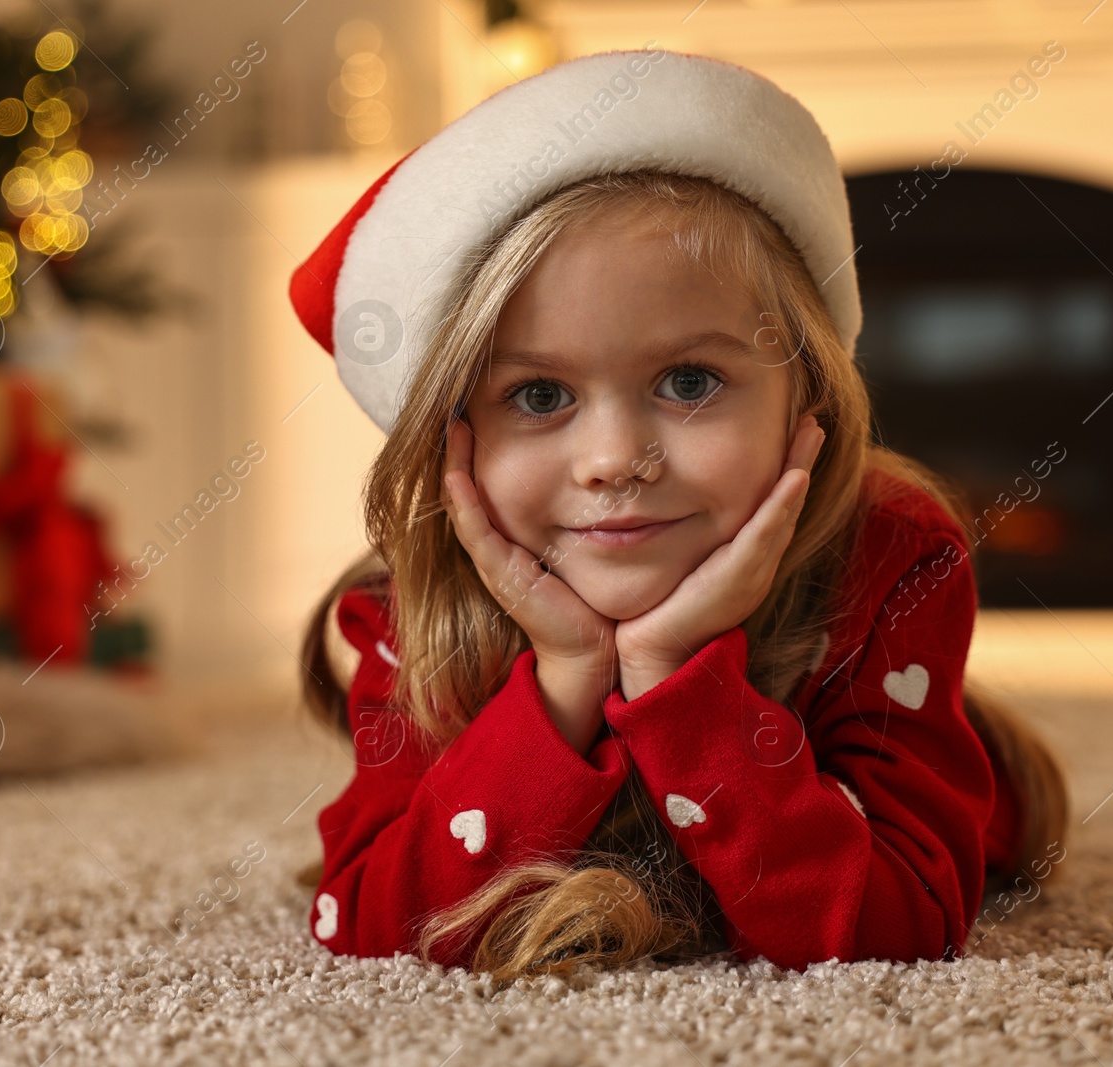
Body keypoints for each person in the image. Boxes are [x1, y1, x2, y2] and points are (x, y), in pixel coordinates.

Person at [289, 48, 1069, 982]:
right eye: (537, 395)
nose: (617, 460)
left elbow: (896, 931)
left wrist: (671, 676)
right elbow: (366, 930)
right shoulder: (412, 607)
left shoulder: (891, 557)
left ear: (806, 397)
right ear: (455, 434)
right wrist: (567, 676)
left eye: (689, 381)